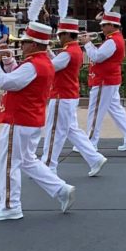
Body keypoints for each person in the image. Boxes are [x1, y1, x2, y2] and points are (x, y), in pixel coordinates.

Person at [0, 7, 76, 221]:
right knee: (27, 160)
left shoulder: (34, 64)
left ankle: (10, 206)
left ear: (33, 44)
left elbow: (8, 82)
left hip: (20, 118)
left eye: (23, 42)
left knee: (9, 163)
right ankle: (61, 189)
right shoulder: (41, 62)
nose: (20, 45)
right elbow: (21, 78)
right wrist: (7, 61)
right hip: (31, 119)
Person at [40, 13, 107, 177]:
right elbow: (58, 63)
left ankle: (48, 166)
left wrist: (39, 54)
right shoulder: (72, 50)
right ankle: (94, 158)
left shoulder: (68, 52)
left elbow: (50, 68)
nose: (59, 37)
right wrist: (47, 51)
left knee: (54, 131)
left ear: (67, 34)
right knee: (72, 130)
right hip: (68, 95)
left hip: (61, 96)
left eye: (60, 34)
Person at [83, 0, 126, 152]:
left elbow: (97, 57)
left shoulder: (112, 41)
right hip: (109, 79)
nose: (101, 28)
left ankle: (90, 142)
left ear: (111, 25)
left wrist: (87, 44)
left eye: (104, 25)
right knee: (115, 110)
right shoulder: (113, 38)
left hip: (104, 80)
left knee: (95, 111)